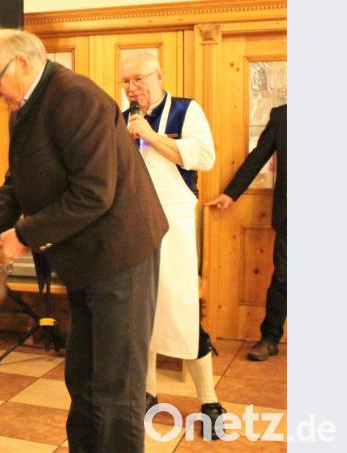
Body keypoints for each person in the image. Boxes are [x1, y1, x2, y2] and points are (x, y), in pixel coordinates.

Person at [0, 29, 168, 452]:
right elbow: (15, 186)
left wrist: (24, 235)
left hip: (121, 256)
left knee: (116, 388)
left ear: (22, 64)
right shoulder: (25, 105)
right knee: (83, 379)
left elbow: (94, 192)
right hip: (83, 261)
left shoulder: (76, 98)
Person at [121, 51, 226, 439]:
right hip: (133, 227)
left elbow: (204, 157)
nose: (132, 88)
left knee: (180, 309)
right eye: (126, 81)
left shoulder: (187, 111)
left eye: (138, 79)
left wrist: (149, 136)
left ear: (158, 75)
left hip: (175, 227)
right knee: (140, 312)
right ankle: (148, 392)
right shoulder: (121, 119)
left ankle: (209, 398)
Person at [205, 104, 287, 361]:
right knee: (284, 278)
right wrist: (230, 193)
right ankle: (270, 338)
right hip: (292, 212)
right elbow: (258, 156)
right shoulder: (283, 116)